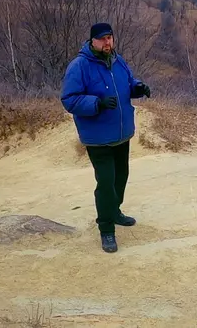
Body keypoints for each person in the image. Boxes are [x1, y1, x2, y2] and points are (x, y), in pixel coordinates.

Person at [60, 22, 151, 253]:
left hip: (121, 134)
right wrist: (96, 103)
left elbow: (128, 83)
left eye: (110, 37)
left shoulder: (118, 61)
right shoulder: (80, 66)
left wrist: (137, 88)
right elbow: (69, 99)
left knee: (121, 176)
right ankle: (107, 229)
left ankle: (115, 211)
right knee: (106, 182)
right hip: (98, 137)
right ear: (92, 41)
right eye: (102, 39)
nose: (107, 42)